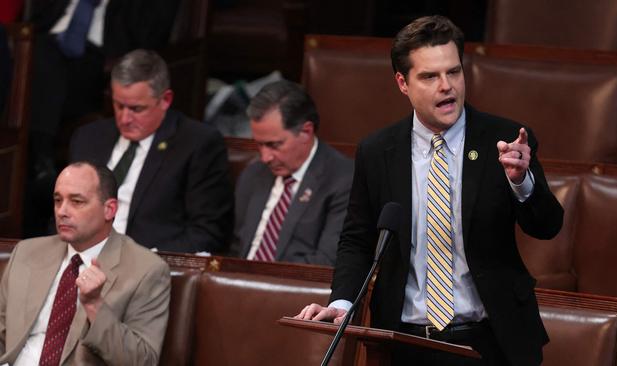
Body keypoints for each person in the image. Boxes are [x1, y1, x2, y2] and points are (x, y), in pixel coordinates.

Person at [295, 15, 563, 365]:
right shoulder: (378, 152)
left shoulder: (505, 140)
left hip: (492, 343)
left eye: (453, 72)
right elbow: (358, 239)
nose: (446, 86)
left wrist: (520, 182)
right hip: (405, 342)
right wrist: (342, 304)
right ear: (402, 83)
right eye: (430, 76)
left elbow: (547, 226)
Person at [23, 0, 180, 237]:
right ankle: (37, 158)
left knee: (44, 62)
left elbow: (151, 34)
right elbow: (36, 16)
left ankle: (37, 157)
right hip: (43, 51)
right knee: (41, 53)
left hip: (103, 62)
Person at [0, 161, 171, 364]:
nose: (62, 211)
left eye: (77, 202)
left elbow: (142, 360)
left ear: (109, 209)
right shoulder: (27, 253)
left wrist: (95, 306)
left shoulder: (146, 270)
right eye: (57, 200)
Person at [70, 49, 234, 253]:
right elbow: (64, 211)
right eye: (119, 106)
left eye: (136, 109)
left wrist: (143, 263)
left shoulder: (197, 143)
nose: (124, 118)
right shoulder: (89, 138)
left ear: (165, 100)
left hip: (148, 267)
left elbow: (207, 234)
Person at [232, 80, 353, 265]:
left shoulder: (343, 180)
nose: (265, 157)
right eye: (259, 145)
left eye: (274, 145)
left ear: (306, 132)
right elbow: (234, 248)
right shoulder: (253, 174)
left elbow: (328, 262)